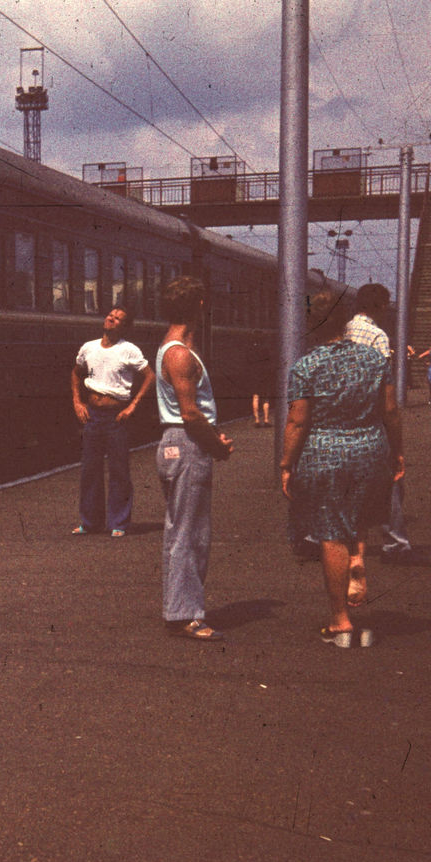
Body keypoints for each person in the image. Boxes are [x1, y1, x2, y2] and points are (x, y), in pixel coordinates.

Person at [280, 290, 405, 648]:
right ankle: (357, 558)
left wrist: (286, 464)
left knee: (331, 531)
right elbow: (390, 411)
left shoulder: (306, 366)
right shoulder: (374, 359)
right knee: (358, 516)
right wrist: (397, 452)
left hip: (325, 452)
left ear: (312, 324)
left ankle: (340, 621)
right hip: (370, 447)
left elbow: (297, 422)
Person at [154, 275, 233, 641]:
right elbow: (189, 413)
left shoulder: (174, 348)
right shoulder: (179, 354)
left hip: (180, 442)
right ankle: (186, 615)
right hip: (186, 444)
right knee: (190, 533)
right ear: (199, 307)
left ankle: (180, 608)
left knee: (182, 530)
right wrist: (216, 445)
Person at [70, 306, 153, 537]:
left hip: (116, 416)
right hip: (92, 415)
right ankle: (90, 522)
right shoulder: (89, 347)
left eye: (118, 319)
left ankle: (119, 522)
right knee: (90, 470)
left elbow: (149, 376)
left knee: (119, 470)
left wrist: (133, 405)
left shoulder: (129, 350)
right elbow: (76, 373)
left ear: (124, 327)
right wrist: (77, 401)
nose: (111, 319)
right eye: (111, 316)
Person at [345, 283, 410, 556]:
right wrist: (397, 445)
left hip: (338, 415)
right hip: (368, 417)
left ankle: (318, 536)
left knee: (340, 478)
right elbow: (385, 390)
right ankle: (395, 541)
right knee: (389, 479)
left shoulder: (342, 330)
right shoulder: (378, 336)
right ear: (381, 306)